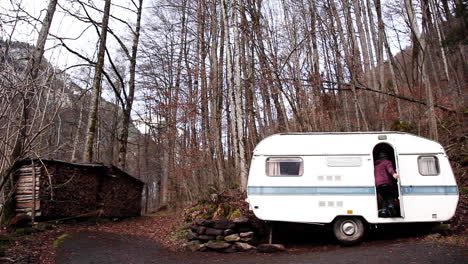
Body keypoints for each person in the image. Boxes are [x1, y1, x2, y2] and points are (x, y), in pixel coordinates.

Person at [374, 152, 399, 217]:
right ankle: (391, 206)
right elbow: (389, 168)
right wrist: (393, 174)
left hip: (378, 185)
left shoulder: (376, 165)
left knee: (384, 197)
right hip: (386, 182)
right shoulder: (387, 162)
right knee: (391, 194)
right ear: (385, 157)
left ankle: (384, 210)